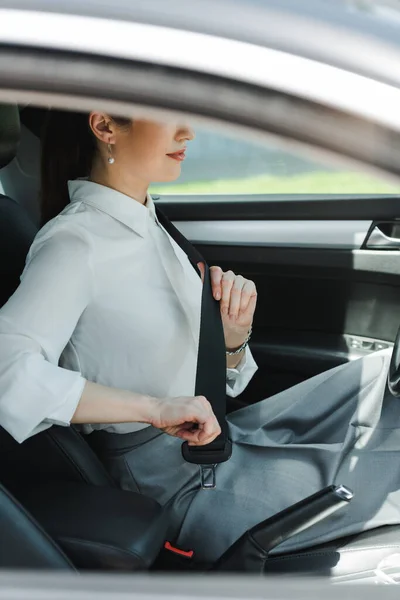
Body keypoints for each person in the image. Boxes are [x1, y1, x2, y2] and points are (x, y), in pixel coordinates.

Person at [0, 110, 400, 565]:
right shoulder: (74, 244)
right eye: (168, 117)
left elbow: (207, 383)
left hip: (219, 435)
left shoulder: (148, 223)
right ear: (105, 126)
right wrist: (152, 409)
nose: (188, 132)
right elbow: (7, 370)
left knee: (382, 381)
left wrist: (231, 338)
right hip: (180, 482)